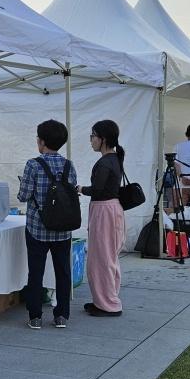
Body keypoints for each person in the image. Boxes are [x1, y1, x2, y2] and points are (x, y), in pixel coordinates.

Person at [17, 120, 77, 329]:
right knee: (63, 272)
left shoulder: (33, 164)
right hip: (63, 229)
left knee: (36, 272)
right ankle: (62, 316)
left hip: (37, 228)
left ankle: (35, 316)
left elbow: (23, 196)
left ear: (41, 141)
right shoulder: (69, 165)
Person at [81, 120, 126, 318]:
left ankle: (108, 303)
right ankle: (104, 299)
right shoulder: (114, 159)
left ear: (103, 139)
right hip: (110, 209)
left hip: (104, 210)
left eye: (93, 136)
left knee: (102, 258)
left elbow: (97, 189)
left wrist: (80, 189)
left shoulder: (105, 162)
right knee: (107, 257)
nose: (91, 140)